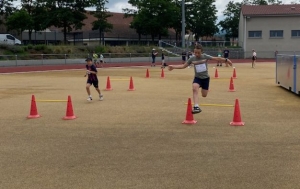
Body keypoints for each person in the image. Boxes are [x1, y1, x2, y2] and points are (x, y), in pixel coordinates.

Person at [168, 44, 233, 114]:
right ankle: (196, 107)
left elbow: (217, 58)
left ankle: (203, 90)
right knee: (194, 88)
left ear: (201, 52)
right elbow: (183, 66)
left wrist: (226, 60)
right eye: (195, 52)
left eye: (198, 53)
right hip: (197, 78)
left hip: (205, 79)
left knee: (204, 95)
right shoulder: (192, 59)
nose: (197, 54)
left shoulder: (205, 56)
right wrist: (173, 67)